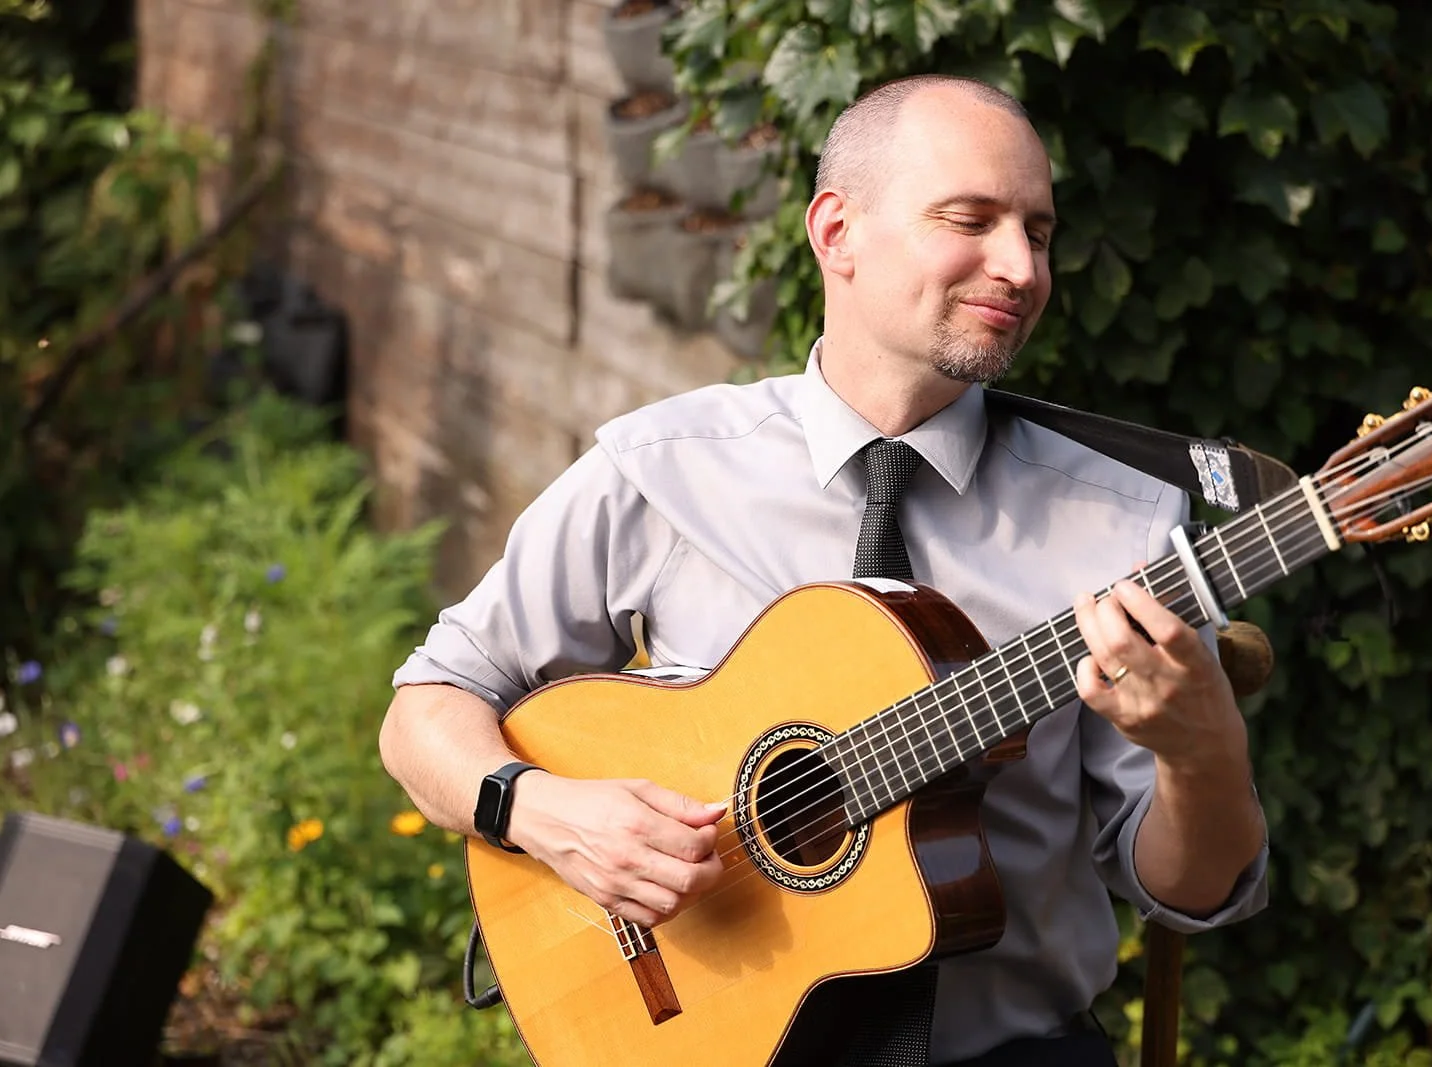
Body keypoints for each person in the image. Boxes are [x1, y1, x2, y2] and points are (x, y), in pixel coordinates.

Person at [379, 74, 1269, 1067]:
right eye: (970, 218)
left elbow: (1192, 888)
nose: (1019, 266)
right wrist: (539, 809)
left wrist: (1200, 753)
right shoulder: (661, 468)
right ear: (837, 231)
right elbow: (427, 705)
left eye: (1039, 230)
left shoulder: (1123, 521)